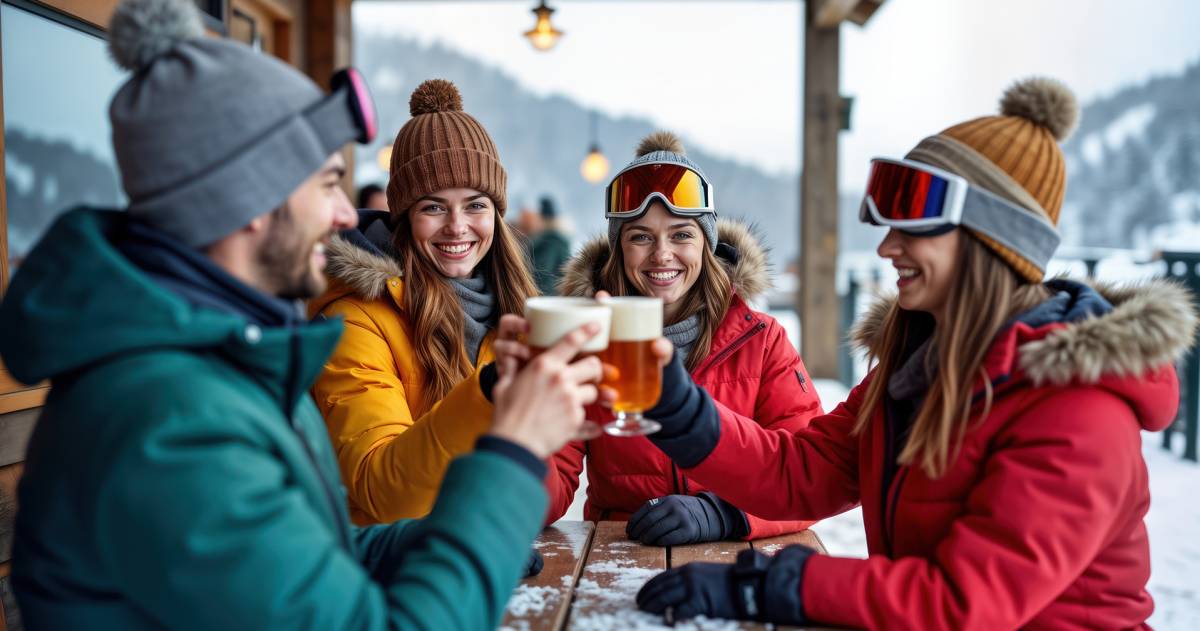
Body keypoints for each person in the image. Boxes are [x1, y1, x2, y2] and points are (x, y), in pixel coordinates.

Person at [0, 1, 603, 628]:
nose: (347, 216)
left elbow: (322, 549)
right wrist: (509, 456)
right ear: (252, 199)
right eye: (325, 183)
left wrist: (454, 536)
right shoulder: (169, 424)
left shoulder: (224, 361)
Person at [632, 78, 1198, 628]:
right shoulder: (917, 368)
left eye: (915, 226)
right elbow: (801, 472)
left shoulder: (1076, 407)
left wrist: (768, 586)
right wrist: (682, 409)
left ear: (989, 241)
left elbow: (959, 603)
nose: (886, 246)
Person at [536, 132, 824, 544]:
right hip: (620, 550)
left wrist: (722, 514)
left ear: (705, 245)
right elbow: (552, 483)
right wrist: (523, 458)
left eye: (681, 234)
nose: (662, 254)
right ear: (619, 249)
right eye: (640, 237)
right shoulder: (588, 340)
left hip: (734, 556)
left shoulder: (760, 341)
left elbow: (807, 476)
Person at [309, 78, 541, 524]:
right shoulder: (355, 317)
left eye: (476, 205)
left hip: (474, 546)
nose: (457, 227)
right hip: (383, 566)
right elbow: (384, 493)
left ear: (497, 213)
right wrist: (491, 390)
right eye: (433, 208)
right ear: (404, 218)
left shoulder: (517, 307)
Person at [529, 196, 572, 295]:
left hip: (545, 294)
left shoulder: (552, 242)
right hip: (551, 293)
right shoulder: (560, 240)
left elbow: (542, 270)